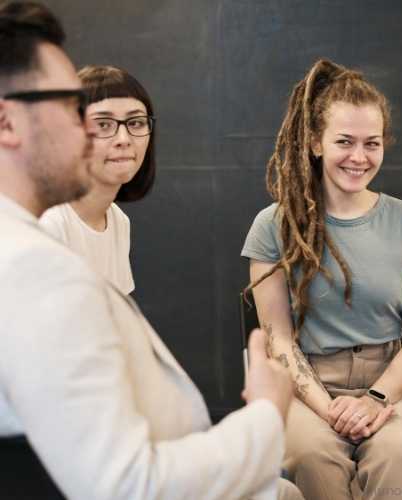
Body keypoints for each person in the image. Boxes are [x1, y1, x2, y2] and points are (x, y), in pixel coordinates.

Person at [0, 2, 300, 499]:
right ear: (7, 123)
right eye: (73, 109)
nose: (92, 133)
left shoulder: (72, 238)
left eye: (135, 122)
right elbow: (127, 485)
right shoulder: (37, 266)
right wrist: (267, 413)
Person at [242, 58, 402, 500]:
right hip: (307, 386)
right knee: (314, 455)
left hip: (394, 380)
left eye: (372, 143)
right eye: (344, 141)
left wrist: (376, 398)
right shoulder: (272, 226)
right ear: (315, 142)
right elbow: (278, 340)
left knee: (395, 451)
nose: (359, 156)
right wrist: (330, 408)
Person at [40, 65, 156, 294]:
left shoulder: (118, 220)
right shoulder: (49, 223)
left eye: (135, 123)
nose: (124, 139)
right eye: (103, 124)